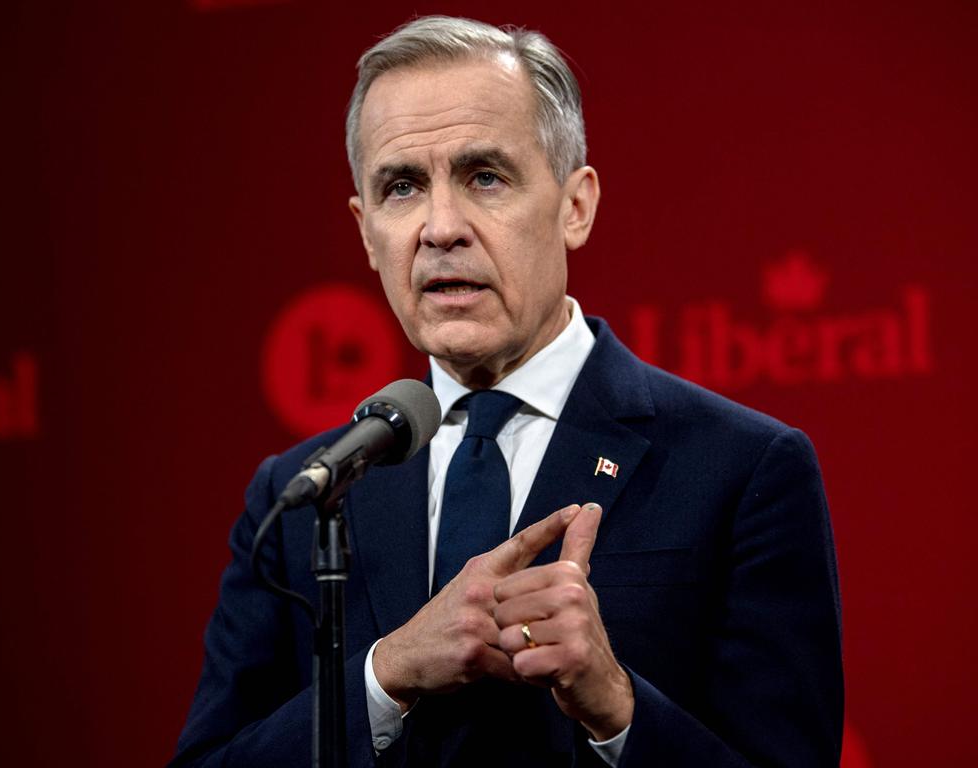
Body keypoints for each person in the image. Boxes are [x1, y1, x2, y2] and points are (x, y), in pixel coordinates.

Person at [172, 16, 843, 767]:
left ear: (575, 205)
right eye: (402, 187)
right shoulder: (303, 497)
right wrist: (385, 675)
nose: (440, 227)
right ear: (367, 233)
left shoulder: (743, 469)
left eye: (484, 176)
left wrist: (615, 704)